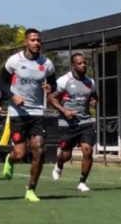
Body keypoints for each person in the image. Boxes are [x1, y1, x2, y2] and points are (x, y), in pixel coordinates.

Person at [0, 28, 56, 203]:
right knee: (20, 154)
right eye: (32, 40)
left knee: (39, 148)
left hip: (37, 111)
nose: (36, 43)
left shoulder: (47, 63)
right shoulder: (14, 61)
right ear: (25, 42)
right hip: (17, 113)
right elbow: (0, 83)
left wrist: (50, 89)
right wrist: (12, 96)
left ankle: (31, 189)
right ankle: (10, 158)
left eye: (38, 40)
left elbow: (53, 83)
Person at [48, 53, 98, 192]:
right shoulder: (64, 81)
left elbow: (94, 97)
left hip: (85, 121)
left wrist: (94, 101)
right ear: (73, 65)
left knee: (87, 151)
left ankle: (82, 182)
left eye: (85, 63)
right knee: (66, 154)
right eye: (80, 63)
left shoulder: (91, 82)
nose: (83, 65)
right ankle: (59, 164)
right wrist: (64, 111)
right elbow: (51, 98)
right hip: (67, 123)